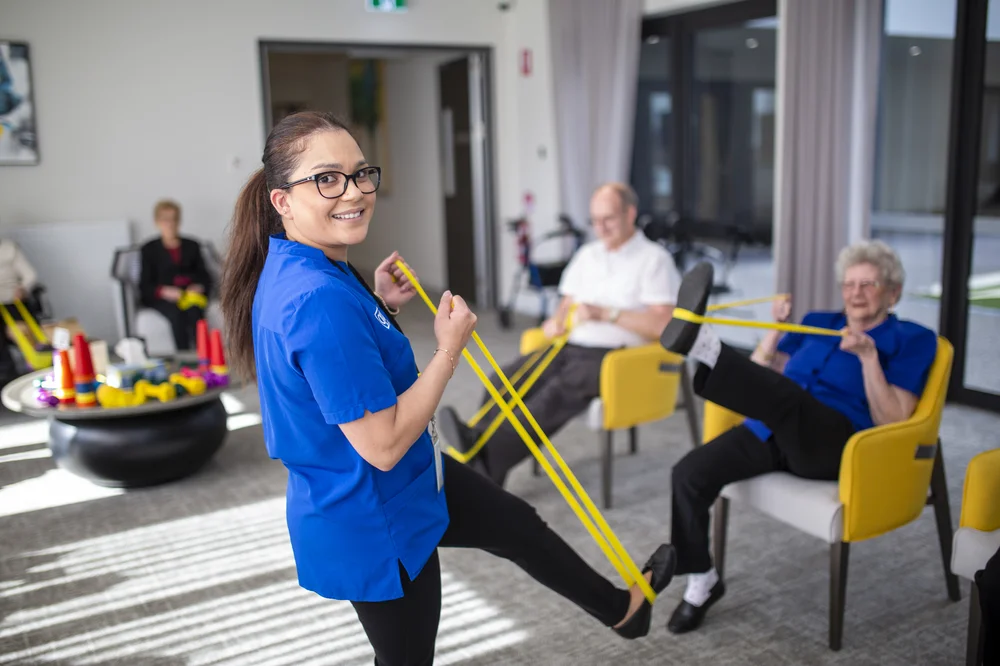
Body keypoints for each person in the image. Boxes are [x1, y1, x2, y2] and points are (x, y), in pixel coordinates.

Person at [218, 110, 675, 665]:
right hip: (376, 508)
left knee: (515, 525)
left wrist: (381, 304)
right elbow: (382, 444)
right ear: (282, 200)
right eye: (326, 178)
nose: (354, 192)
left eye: (361, 174)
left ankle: (623, 611)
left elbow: (337, 363)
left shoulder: (305, 265)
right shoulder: (318, 297)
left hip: (407, 474)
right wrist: (448, 349)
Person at [654, 240, 938, 635]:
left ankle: (705, 346)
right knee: (688, 473)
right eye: (849, 284)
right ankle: (702, 581)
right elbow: (758, 374)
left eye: (868, 284)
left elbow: (894, 418)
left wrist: (869, 358)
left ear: (893, 293)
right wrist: (772, 331)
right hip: (772, 426)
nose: (855, 293)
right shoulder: (816, 321)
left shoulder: (913, 339)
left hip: (834, 443)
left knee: (789, 396)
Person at [436, 182, 682, 487]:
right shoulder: (588, 255)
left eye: (608, 219)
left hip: (615, 357)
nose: (600, 227)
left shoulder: (654, 259)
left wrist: (608, 314)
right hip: (570, 345)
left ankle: (481, 460)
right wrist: (556, 321)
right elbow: (566, 302)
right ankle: (480, 449)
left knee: (549, 398)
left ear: (630, 213)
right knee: (504, 381)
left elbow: (663, 325)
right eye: (595, 220)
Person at [139, 200, 212, 351]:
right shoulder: (148, 249)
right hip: (163, 298)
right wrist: (164, 291)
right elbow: (145, 284)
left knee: (195, 312)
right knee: (176, 315)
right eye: (165, 219)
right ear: (157, 222)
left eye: (174, 219)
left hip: (189, 295)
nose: (170, 224)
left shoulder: (192, 245)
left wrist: (198, 286)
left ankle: (203, 355)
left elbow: (204, 275)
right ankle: (184, 357)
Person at [0, 235, 40, 386]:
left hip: (13, 300)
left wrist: (23, 288)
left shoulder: (9, 249)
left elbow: (30, 275)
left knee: (20, 332)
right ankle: (6, 374)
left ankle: (33, 368)